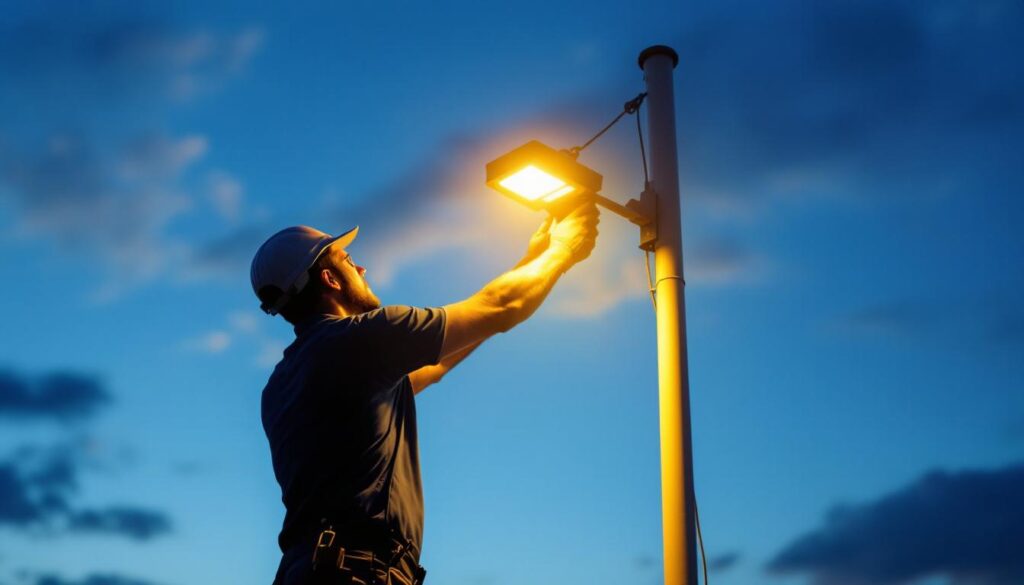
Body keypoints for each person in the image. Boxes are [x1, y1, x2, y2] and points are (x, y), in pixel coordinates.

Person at [251, 203, 600, 585]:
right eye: (349, 261)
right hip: (356, 572)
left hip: (308, 571)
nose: (361, 269)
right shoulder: (361, 340)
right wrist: (563, 250)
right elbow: (502, 306)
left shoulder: (283, 383)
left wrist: (532, 260)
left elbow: (441, 359)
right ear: (330, 279)